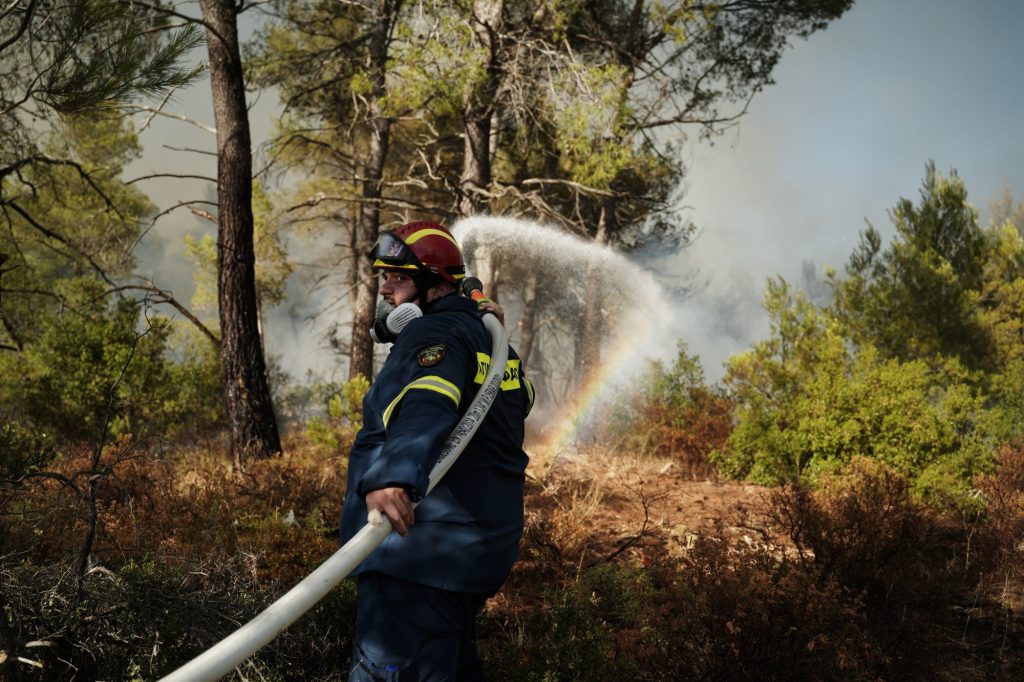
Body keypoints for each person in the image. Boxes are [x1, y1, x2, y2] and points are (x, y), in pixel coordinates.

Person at [339, 220, 535, 681]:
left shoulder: (434, 335)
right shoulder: (491, 340)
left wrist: (392, 476)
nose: (385, 291)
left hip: (416, 556)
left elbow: (428, 403)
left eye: (398, 278)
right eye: (383, 277)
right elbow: (520, 401)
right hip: (473, 553)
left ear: (436, 284)